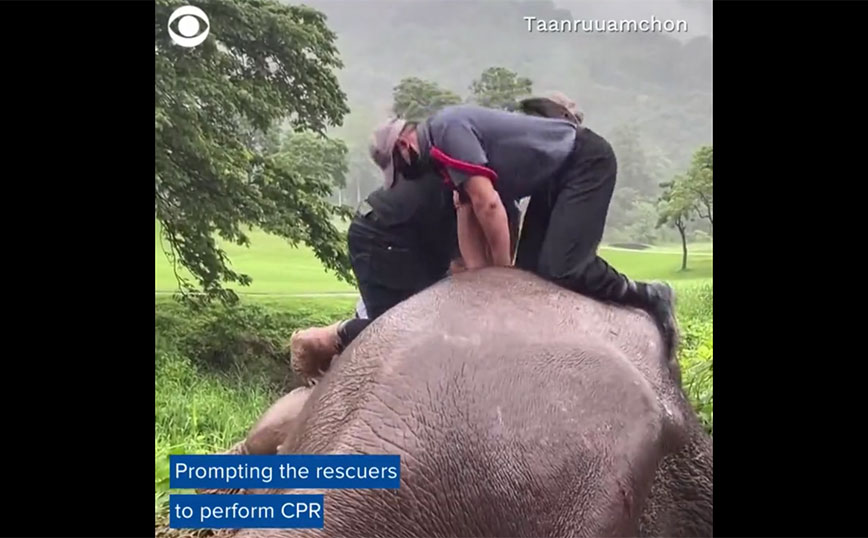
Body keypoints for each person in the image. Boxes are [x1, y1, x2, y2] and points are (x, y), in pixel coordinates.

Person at [372, 98, 678, 357]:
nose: (406, 177)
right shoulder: (442, 156)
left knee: (563, 268)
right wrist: (479, 279)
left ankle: (649, 294)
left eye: (400, 168)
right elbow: (466, 209)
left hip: (582, 160)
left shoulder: (448, 130)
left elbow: (489, 206)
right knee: (533, 274)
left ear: (403, 145)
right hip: (552, 177)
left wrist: (503, 278)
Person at [289, 138, 521, 382]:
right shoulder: (484, 194)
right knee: (400, 335)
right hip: (384, 236)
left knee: (429, 325)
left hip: (415, 239)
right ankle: (323, 339)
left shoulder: (495, 187)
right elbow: (466, 270)